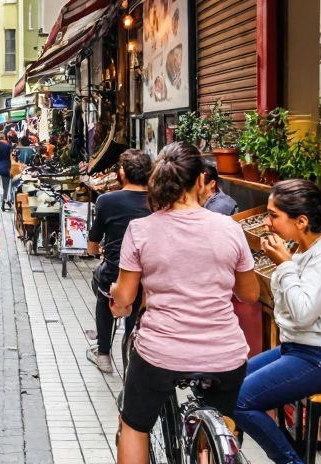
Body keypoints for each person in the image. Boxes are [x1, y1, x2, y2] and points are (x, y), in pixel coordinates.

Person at [110, 142, 259, 463]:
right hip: (225, 355)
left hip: (161, 353)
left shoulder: (141, 229)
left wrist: (117, 302)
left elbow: (124, 298)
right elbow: (250, 294)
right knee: (223, 424)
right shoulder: (229, 228)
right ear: (201, 181)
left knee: (134, 424)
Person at [234, 179, 321, 464]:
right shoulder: (302, 251)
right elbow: (288, 314)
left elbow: (302, 313)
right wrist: (288, 264)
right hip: (299, 349)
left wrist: (285, 266)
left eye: (273, 215)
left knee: (241, 400)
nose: (267, 223)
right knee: (230, 381)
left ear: (301, 221)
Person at [83, 149, 152, 374]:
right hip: (150, 273)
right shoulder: (158, 201)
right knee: (137, 305)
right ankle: (133, 353)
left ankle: (104, 354)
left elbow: (93, 243)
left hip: (116, 270)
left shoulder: (106, 200)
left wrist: (99, 252)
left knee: (103, 293)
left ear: (122, 173)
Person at [0, 133, 14, 209]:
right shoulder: (8, 146)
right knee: (6, 187)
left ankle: (4, 200)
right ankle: (4, 201)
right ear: (4, 137)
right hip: (6, 167)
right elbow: (11, 157)